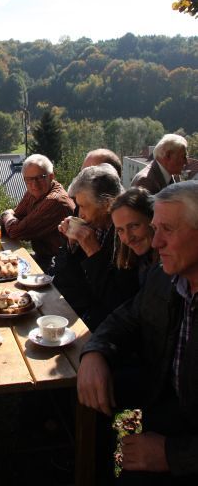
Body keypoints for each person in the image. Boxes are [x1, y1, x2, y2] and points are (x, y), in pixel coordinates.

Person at [77, 181, 198, 484]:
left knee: (132, 464)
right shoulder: (165, 278)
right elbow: (124, 318)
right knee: (110, 423)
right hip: (164, 404)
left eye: (167, 229)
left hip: (185, 440)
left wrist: (172, 455)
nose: (156, 242)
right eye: (155, 229)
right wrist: (94, 353)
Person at [51, 164, 139, 331]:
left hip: (107, 327)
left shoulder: (127, 235)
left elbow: (117, 302)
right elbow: (64, 281)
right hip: (80, 313)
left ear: (107, 204)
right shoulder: (91, 222)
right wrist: (72, 245)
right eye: (78, 206)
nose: (80, 214)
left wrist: (93, 252)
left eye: (84, 206)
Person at [0, 154, 74, 270]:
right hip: (44, 257)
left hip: (59, 264)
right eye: (29, 179)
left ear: (51, 176)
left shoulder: (55, 201)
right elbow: (17, 216)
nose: (34, 184)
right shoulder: (34, 192)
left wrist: (6, 214)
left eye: (40, 177)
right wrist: (0, 223)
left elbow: (16, 231)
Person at [111, 187, 158, 285]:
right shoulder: (131, 262)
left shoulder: (172, 267)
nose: (128, 238)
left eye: (134, 226)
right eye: (120, 230)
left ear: (152, 220)